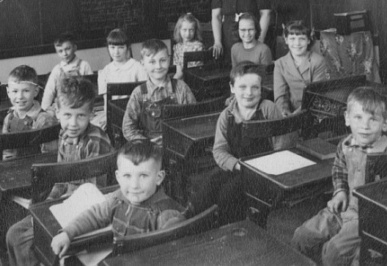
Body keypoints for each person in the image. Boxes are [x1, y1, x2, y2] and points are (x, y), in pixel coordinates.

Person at [6, 76, 113, 266]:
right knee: (13, 234)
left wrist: (53, 212)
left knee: (24, 241)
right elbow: (61, 180)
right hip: (64, 202)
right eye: (67, 115)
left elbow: (92, 194)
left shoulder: (95, 141)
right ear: (57, 113)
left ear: (91, 114)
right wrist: (44, 207)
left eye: (80, 116)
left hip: (85, 211)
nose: (73, 123)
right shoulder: (64, 135)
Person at [292, 87, 387, 265]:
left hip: (367, 218)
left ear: (385, 124)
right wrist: (340, 192)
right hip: (344, 208)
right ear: (347, 118)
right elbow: (339, 170)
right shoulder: (345, 144)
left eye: (373, 119)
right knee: (302, 237)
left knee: (333, 253)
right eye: (358, 117)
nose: (365, 126)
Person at [0, 65, 57, 265]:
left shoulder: (44, 119)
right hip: (8, 171)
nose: (20, 97)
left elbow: (49, 158)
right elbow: (6, 153)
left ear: (36, 91)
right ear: (8, 92)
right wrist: (1, 174)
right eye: (15, 91)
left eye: (25, 91)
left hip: (30, 176)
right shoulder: (10, 117)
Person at [186, 62, 291, 225]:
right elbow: (219, 151)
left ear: (261, 89)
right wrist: (237, 165)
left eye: (255, 87)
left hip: (262, 172)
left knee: (228, 195)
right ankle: (195, 225)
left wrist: (268, 170)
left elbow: (282, 146)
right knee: (206, 187)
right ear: (232, 88)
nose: (249, 93)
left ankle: (229, 230)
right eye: (242, 87)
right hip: (237, 166)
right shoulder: (226, 115)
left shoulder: (268, 109)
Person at [50, 140, 185, 259]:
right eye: (127, 176)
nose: (134, 185)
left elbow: (173, 254)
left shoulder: (166, 215)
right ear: (118, 177)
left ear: (159, 178)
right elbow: (94, 215)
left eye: (143, 175)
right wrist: (67, 233)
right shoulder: (118, 198)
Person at [122, 39, 196, 146]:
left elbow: (194, 119)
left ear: (169, 60)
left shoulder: (181, 88)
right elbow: (128, 129)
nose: (158, 66)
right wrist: (146, 143)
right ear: (143, 64)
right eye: (152, 62)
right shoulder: (139, 93)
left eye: (163, 60)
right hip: (149, 148)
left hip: (178, 144)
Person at [274, 20, 328, 115]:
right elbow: (280, 95)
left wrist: (296, 114)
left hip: (314, 110)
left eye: (302, 39)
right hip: (290, 111)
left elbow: (316, 95)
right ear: (286, 40)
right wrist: (284, 111)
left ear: (308, 40)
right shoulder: (280, 63)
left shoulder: (318, 61)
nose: (297, 43)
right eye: (292, 38)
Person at [96, 29, 147, 128]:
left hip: (136, 114)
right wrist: (107, 117)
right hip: (114, 115)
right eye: (112, 47)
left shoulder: (138, 67)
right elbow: (106, 100)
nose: (116, 52)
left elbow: (145, 95)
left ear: (128, 47)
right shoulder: (105, 71)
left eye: (121, 47)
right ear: (108, 48)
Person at [41, 33, 93, 113]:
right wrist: (43, 110)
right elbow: (49, 91)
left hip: (81, 105)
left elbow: (91, 88)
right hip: (63, 106)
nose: (64, 54)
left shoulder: (84, 65)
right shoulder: (57, 69)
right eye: (60, 51)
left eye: (67, 49)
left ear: (75, 48)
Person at [171, 13, 205, 80]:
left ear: (195, 31)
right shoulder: (177, 47)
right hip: (181, 79)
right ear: (179, 30)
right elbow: (179, 72)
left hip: (195, 79)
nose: (188, 34)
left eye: (191, 30)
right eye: (184, 30)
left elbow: (198, 71)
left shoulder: (198, 46)